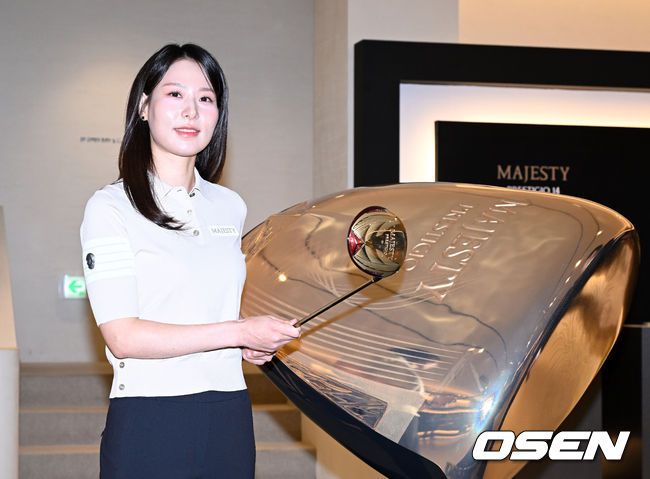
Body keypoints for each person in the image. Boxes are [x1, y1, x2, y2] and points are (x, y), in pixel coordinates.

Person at [80, 43, 300, 479]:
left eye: (206, 98)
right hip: (150, 416)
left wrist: (248, 340)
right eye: (175, 94)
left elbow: (206, 308)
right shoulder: (110, 207)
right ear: (144, 107)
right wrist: (237, 331)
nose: (191, 111)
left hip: (228, 410)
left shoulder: (229, 206)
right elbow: (123, 337)